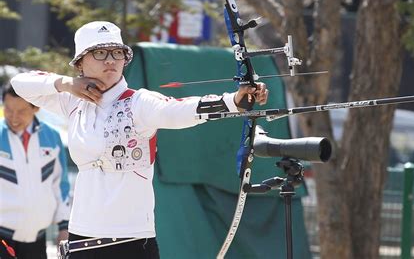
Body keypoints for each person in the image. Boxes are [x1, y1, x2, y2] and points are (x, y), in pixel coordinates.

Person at [11, 21, 268, 258]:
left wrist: (232, 102)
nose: (110, 60)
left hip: (131, 241)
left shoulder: (138, 102)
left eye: (117, 53)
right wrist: (67, 84)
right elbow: (20, 83)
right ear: (80, 63)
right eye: (100, 53)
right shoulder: (73, 102)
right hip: (82, 238)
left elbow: (178, 110)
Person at [0, 82, 70, 259]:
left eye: (21, 111)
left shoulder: (52, 137)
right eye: (8, 109)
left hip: (37, 239)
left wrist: (63, 226)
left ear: (36, 108)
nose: (14, 117)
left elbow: (59, 183)